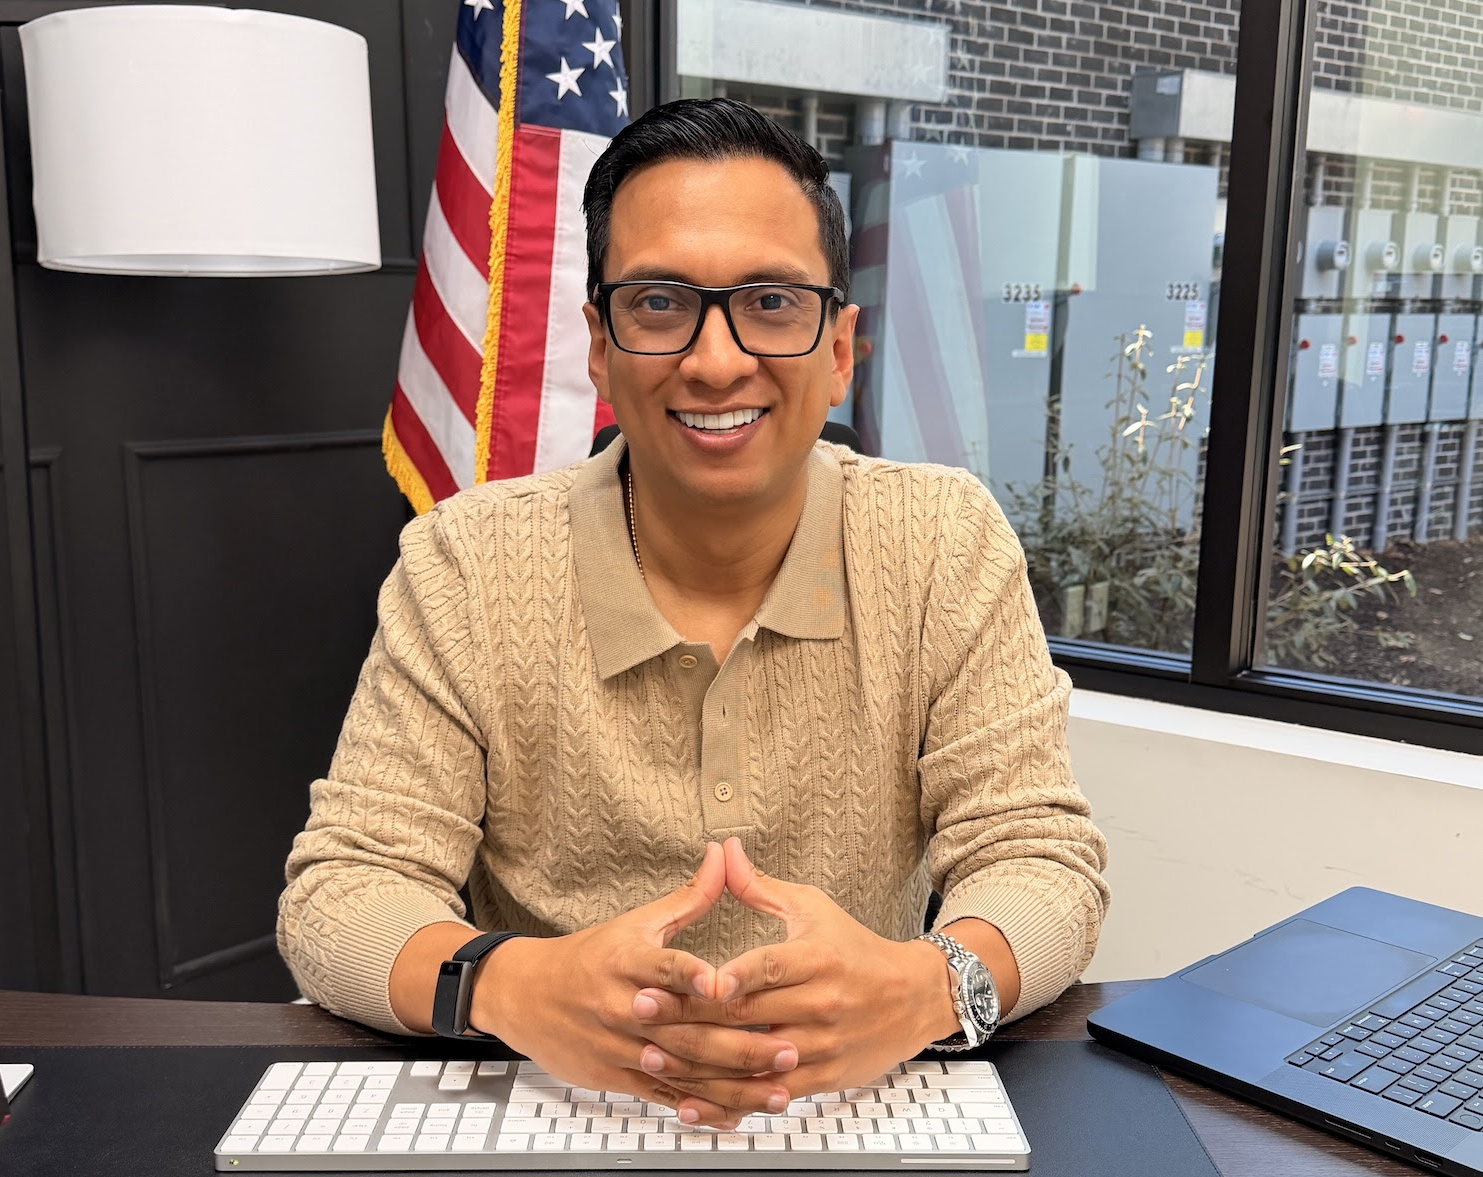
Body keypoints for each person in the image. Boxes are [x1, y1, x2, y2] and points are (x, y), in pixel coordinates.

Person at [277, 97, 1108, 1131]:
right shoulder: (468, 561)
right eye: (661, 302)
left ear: (840, 348)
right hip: (554, 1101)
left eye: (772, 301)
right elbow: (343, 888)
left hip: (856, 1098)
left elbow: (1041, 858)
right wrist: (514, 986)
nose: (716, 362)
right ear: (599, 344)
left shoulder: (945, 541)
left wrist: (924, 988)